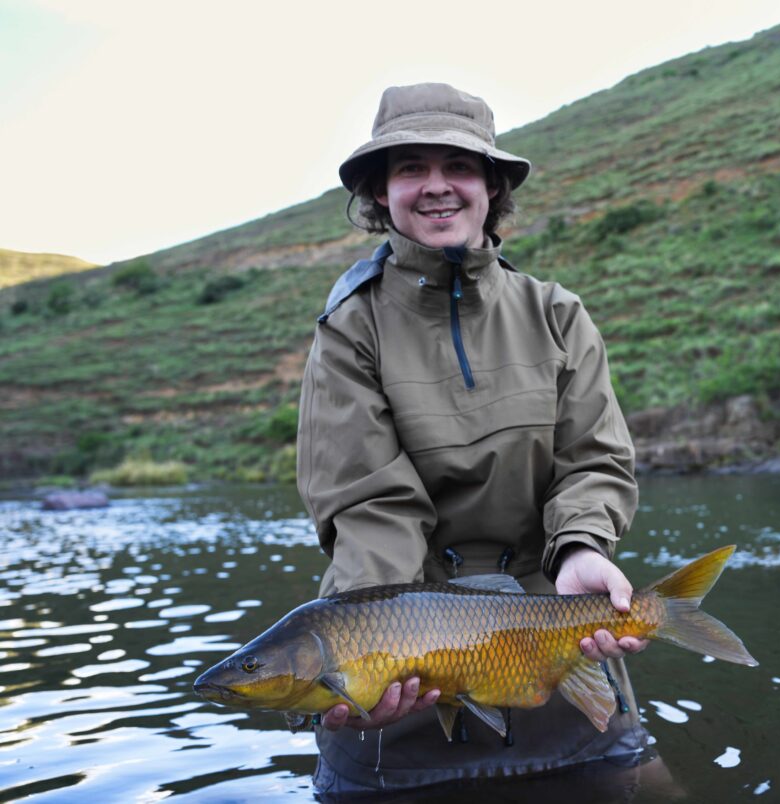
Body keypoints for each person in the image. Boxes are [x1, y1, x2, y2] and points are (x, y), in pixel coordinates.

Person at [296, 82, 650, 794]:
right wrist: (375, 653)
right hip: (404, 652)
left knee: (646, 787)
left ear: (491, 187)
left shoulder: (558, 314)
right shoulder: (348, 330)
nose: (437, 186)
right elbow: (368, 502)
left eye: (458, 166)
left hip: (555, 638)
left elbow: (594, 461)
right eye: (411, 168)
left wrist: (582, 549)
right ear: (380, 191)